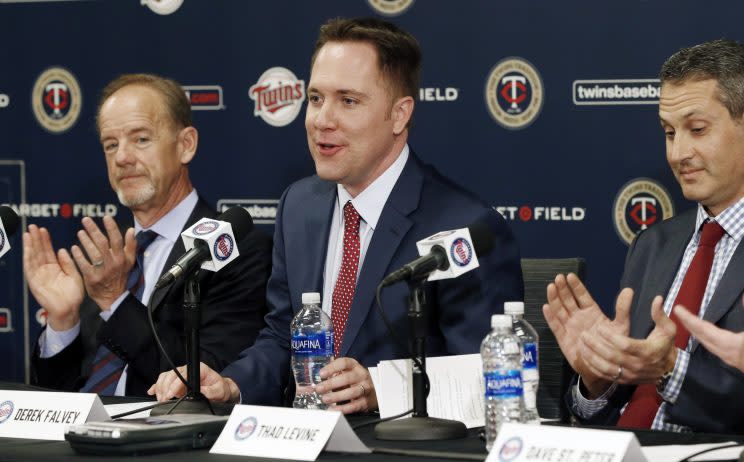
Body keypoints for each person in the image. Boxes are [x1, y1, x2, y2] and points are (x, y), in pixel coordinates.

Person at [149, 17, 523, 413]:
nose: (322, 120)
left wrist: (385, 389)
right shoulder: (300, 205)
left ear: (399, 115)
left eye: (348, 101)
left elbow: (491, 375)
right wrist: (231, 384)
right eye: (315, 98)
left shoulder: (466, 228)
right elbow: (282, 338)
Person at [25, 74, 272, 396]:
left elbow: (202, 381)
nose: (122, 157)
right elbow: (53, 397)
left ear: (186, 145)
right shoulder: (107, 256)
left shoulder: (235, 249)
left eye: (140, 139)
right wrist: (63, 321)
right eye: (110, 145)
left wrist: (117, 301)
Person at [544, 39, 744, 433]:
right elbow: (611, 409)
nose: (677, 153)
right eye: (669, 133)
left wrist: (670, 369)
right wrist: (597, 379)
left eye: (697, 129)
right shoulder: (653, 245)